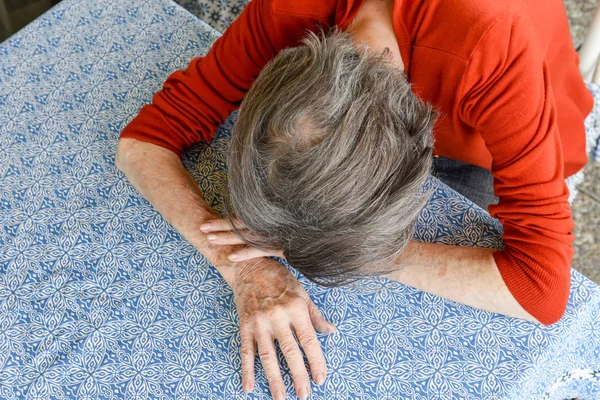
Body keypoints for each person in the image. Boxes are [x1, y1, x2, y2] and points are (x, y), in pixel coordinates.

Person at [115, 0, 593, 398]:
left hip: (499, 139)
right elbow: (142, 142)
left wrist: (354, 253)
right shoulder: (287, 10)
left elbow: (541, 291)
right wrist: (242, 264)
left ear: (419, 153)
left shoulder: (491, 37)